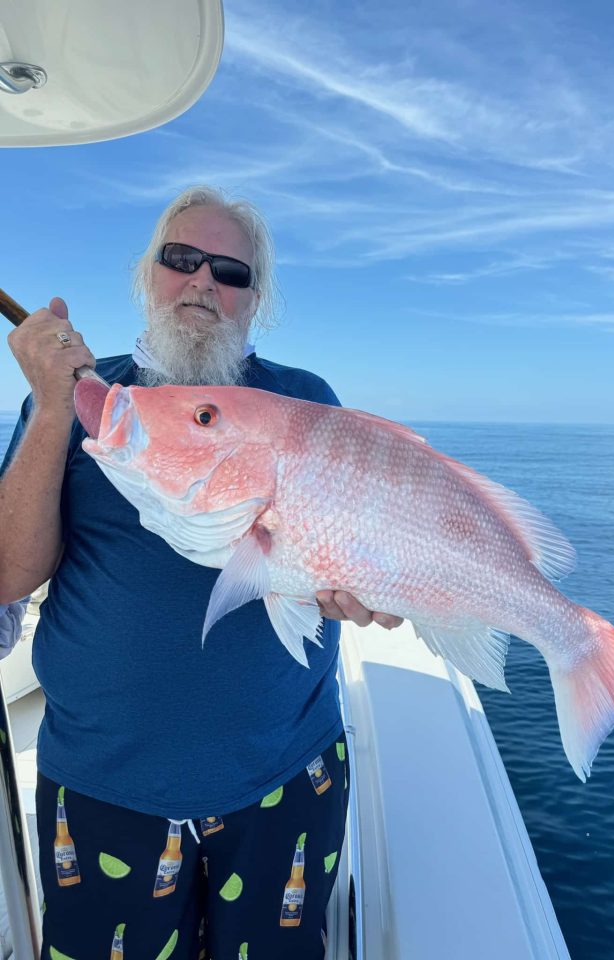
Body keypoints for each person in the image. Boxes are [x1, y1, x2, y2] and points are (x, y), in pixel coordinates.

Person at [0, 186, 402, 960]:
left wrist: (365, 585)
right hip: (102, 784)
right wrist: (52, 408)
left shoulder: (305, 402)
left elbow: (349, 554)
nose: (202, 283)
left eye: (230, 271)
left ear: (257, 300)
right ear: (147, 275)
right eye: (180, 260)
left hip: (285, 777)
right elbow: (10, 573)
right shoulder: (84, 400)